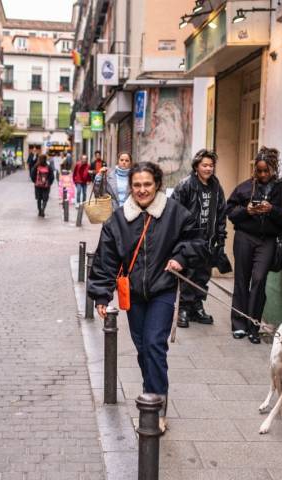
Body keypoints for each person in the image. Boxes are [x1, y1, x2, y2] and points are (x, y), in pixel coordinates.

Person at [88, 161, 206, 433]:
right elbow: (106, 259)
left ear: (157, 185)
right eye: (137, 185)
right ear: (130, 187)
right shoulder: (118, 220)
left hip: (163, 289)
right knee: (143, 348)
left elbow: (196, 242)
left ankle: (156, 405)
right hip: (134, 294)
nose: (142, 190)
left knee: (154, 344)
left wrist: (179, 258)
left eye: (147, 185)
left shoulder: (175, 213)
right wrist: (102, 296)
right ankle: (150, 391)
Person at [226, 146, 282, 344]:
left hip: (267, 240)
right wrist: (247, 210)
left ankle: (253, 326)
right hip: (245, 237)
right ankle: (239, 325)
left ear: (274, 169)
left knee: (258, 279)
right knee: (241, 279)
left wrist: (272, 209)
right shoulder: (245, 187)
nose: (263, 174)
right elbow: (230, 212)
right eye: (259, 170)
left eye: (267, 171)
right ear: (255, 169)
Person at [170, 149, 231, 328]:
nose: (208, 168)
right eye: (204, 165)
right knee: (188, 274)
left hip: (208, 240)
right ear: (196, 166)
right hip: (189, 240)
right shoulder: (185, 185)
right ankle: (183, 308)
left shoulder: (216, 187)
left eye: (211, 165)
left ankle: (197, 307)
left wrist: (220, 238)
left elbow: (221, 213)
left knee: (203, 275)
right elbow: (174, 212)